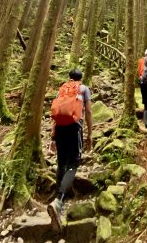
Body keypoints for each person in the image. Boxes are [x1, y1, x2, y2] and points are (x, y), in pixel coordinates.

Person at [47, 68, 92, 229]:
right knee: (73, 163)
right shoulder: (84, 89)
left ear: (69, 78)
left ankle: (57, 196)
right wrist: (90, 134)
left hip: (59, 128)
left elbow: (54, 113)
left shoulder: (62, 89)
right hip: (74, 128)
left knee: (61, 163)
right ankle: (59, 199)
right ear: (81, 78)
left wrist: (53, 137)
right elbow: (88, 111)